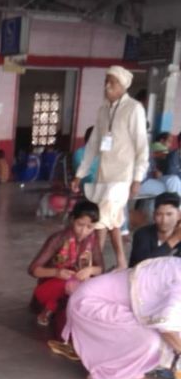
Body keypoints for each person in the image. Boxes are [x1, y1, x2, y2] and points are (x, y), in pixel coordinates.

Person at [63, 257, 181, 379]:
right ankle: (100, 378)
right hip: (88, 302)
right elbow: (166, 327)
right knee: (149, 340)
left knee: (161, 337)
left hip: (109, 302)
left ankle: (130, 372)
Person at [72, 66, 148, 270]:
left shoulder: (134, 109)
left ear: (123, 85)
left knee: (101, 218)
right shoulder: (103, 110)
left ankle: (92, 261)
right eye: (106, 81)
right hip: (103, 175)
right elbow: (92, 145)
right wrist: (80, 174)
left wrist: (137, 178)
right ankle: (121, 262)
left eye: (112, 82)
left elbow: (142, 146)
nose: (107, 86)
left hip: (122, 177)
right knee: (113, 220)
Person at [28, 199, 104, 337]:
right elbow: (33, 269)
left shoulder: (92, 239)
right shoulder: (58, 239)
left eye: (90, 227)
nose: (84, 231)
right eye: (80, 225)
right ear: (72, 219)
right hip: (52, 286)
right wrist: (57, 272)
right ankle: (49, 309)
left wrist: (90, 270)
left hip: (77, 284)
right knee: (71, 289)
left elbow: (100, 268)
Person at [130, 192, 181, 267]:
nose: (164, 220)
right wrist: (174, 240)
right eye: (159, 214)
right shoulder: (142, 234)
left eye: (169, 214)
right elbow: (142, 265)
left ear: (179, 215)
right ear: (153, 215)